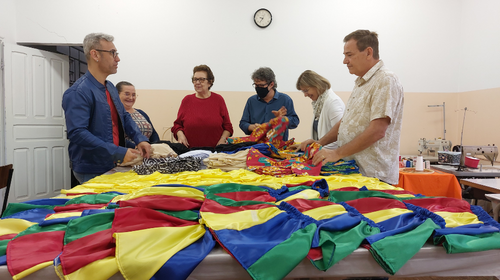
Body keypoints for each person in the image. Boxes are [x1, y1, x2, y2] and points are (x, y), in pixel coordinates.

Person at [301, 30, 404, 185]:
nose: (345, 61)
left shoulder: (385, 80)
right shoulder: (361, 83)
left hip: (374, 176)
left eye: (349, 55)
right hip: (355, 172)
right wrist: (318, 143)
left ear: (368, 52)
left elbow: (377, 131)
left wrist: (337, 153)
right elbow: (345, 123)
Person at [62, 33, 151, 184]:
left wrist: (139, 139)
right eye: (112, 53)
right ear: (95, 54)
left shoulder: (109, 87)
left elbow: (124, 116)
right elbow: (78, 133)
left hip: (111, 164)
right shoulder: (79, 92)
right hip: (91, 169)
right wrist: (118, 152)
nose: (117, 58)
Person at [172, 64, 233, 148]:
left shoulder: (219, 100)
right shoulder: (187, 100)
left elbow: (228, 127)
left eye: (201, 79)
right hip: (190, 152)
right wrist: (180, 135)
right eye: (195, 79)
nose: (197, 82)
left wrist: (222, 139)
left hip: (214, 152)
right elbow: (177, 125)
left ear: (210, 82)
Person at [240, 67, 299, 141]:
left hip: (278, 145)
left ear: (271, 84)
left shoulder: (285, 99)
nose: (258, 88)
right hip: (256, 144)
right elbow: (243, 123)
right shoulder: (251, 101)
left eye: (261, 86)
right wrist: (251, 127)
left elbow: (295, 121)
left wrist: (281, 119)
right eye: (256, 85)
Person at [296, 70, 345, 149]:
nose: (305, 95)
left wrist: (317, 146)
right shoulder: (319, 103)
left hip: (332, 154)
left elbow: (340, 134)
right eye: (303, 92)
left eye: (306, 90)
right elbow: (320, 135)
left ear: (316, 85)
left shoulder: (333, 102)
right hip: (323, 152)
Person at [117, 81, 160, 147]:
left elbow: (154, 134)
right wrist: (137, 147)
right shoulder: (114, 115)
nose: (131, 98)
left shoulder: (141, 113)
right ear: (117, 95)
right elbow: (118, 138)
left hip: (148, 152)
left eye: (133, 95)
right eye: (127, 94)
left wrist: (154, 147)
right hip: (128, 153)